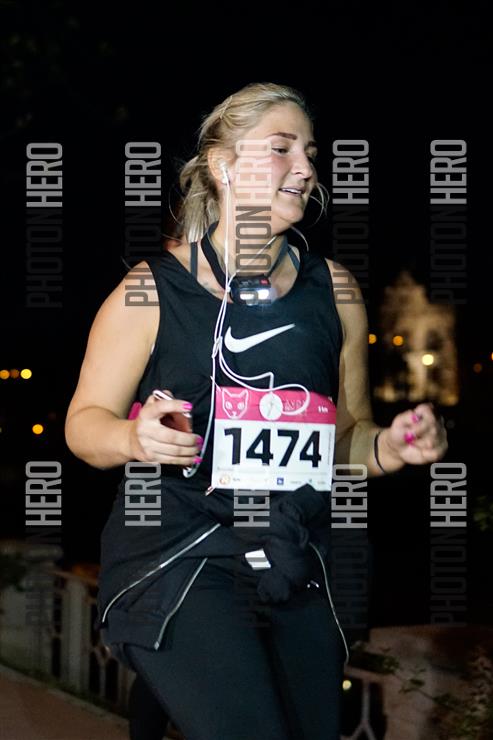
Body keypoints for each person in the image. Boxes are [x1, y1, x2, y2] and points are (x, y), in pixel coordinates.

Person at [65, 82, 448, 740]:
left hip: (296, 556)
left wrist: (389, 448)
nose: (305, 168)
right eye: (280, 148)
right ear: (222, 165)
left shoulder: (336, 291)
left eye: (310, 152)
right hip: (182, 554)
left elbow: (345, 438)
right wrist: (133, 437)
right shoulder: (150, 290)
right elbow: (83, 424)